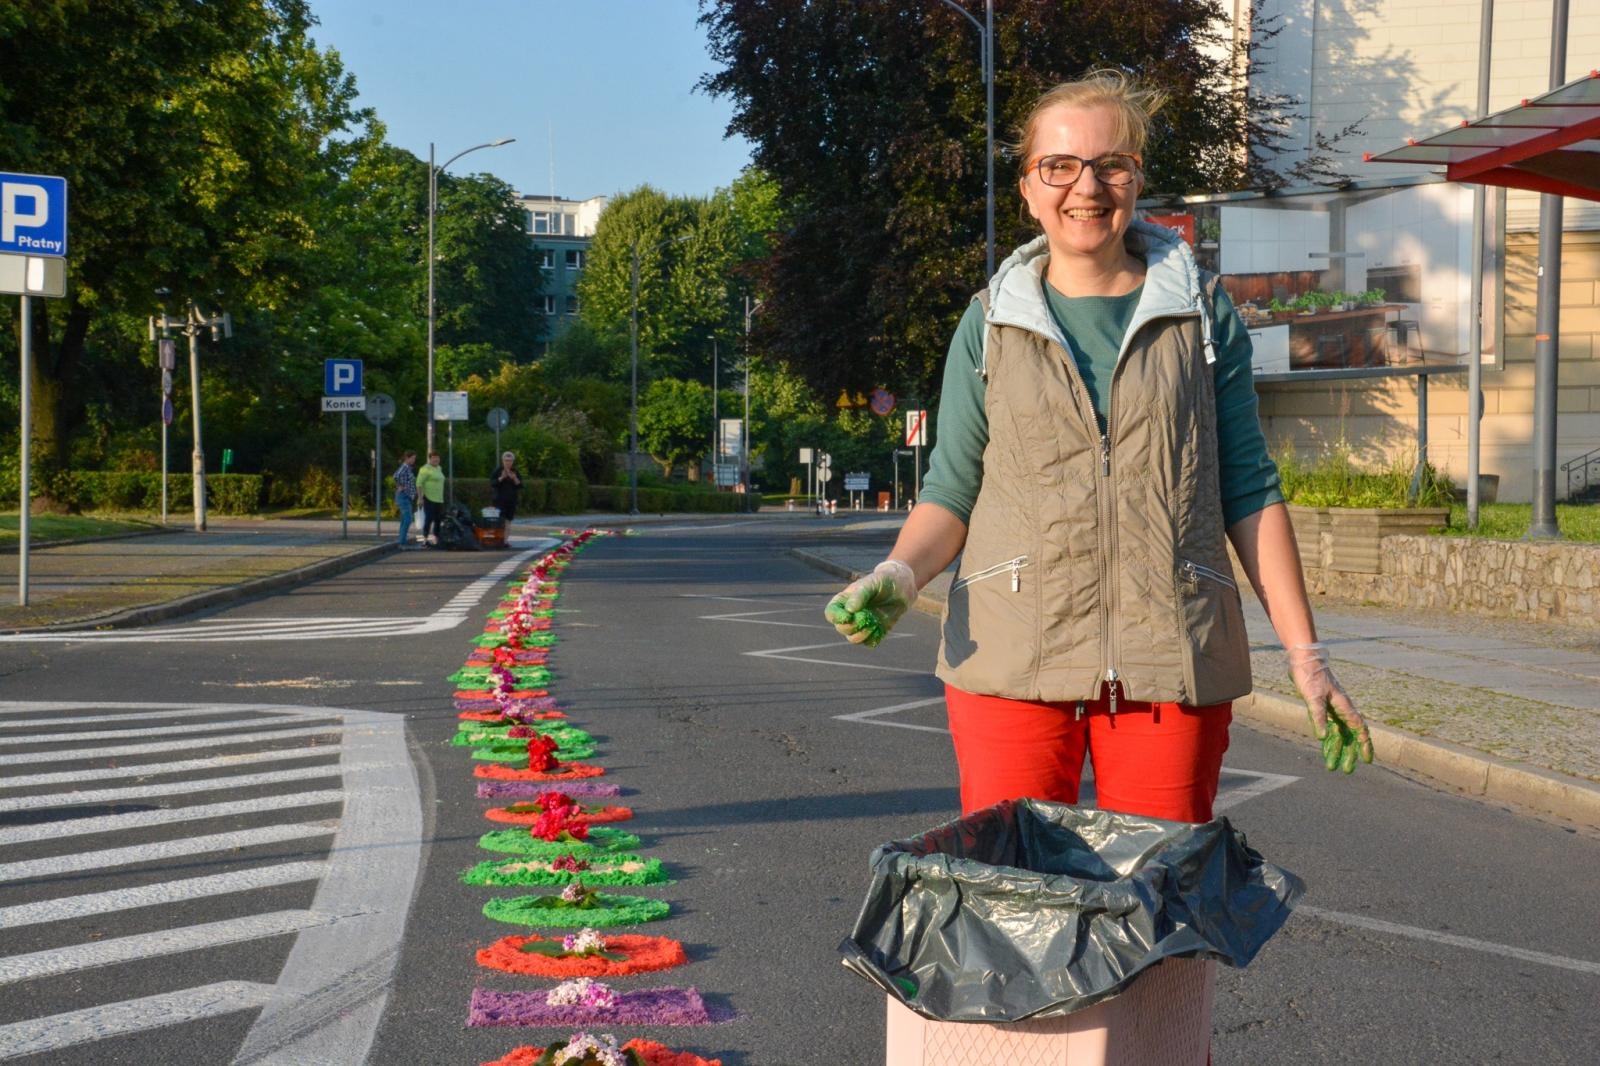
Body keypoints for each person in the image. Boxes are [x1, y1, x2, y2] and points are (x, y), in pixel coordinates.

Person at [825, 70, 1373, 827]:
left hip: (1170, 660)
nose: (1087, 186)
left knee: (1162, 914)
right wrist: (899, 574)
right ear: (1028, 187)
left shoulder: (1202, 316)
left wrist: (1307, 659)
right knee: (1015, 909)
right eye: (1060, 165)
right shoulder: (988, 325)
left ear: (1136, 180)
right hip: (1011, 666)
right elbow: (951, 492)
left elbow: (1248, 490)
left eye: (1110, 164)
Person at [417, 450, 445, 547]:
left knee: (438, 520)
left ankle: (436, 539)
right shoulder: (425, 469)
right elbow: (419, 484)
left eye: (437, 458)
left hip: (439, 498)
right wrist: (420, 498)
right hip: (429, 497)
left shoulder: (439, 468)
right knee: (428, 519)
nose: (436, 460)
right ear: (429, 459)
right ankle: (425, 539)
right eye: (434, 458)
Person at [392, 450, 418, 548]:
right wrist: (400, 486)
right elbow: (396, 476)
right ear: (407, 458)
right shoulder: (405, 467)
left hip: (406, 496)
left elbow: (396, 475)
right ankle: (402, 542)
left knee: (404, 519)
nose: (414, 460)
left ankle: (401, 541)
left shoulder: (407, 468)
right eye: (413, 458)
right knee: (407, 519)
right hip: (403, 496)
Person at [492, 450, 522, 523]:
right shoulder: (498, 470)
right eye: (506, 460)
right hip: (499, 501)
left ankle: (506, 535)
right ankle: (502, 534)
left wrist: (514, 478)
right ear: (502, 461)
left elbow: (520, 486)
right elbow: (492, 483)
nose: (508, 462)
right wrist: (501, 478)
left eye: (510, 461)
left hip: (511, 501)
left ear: (513, 461)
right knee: (501, 521)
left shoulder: (515, 471)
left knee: (509, 521)